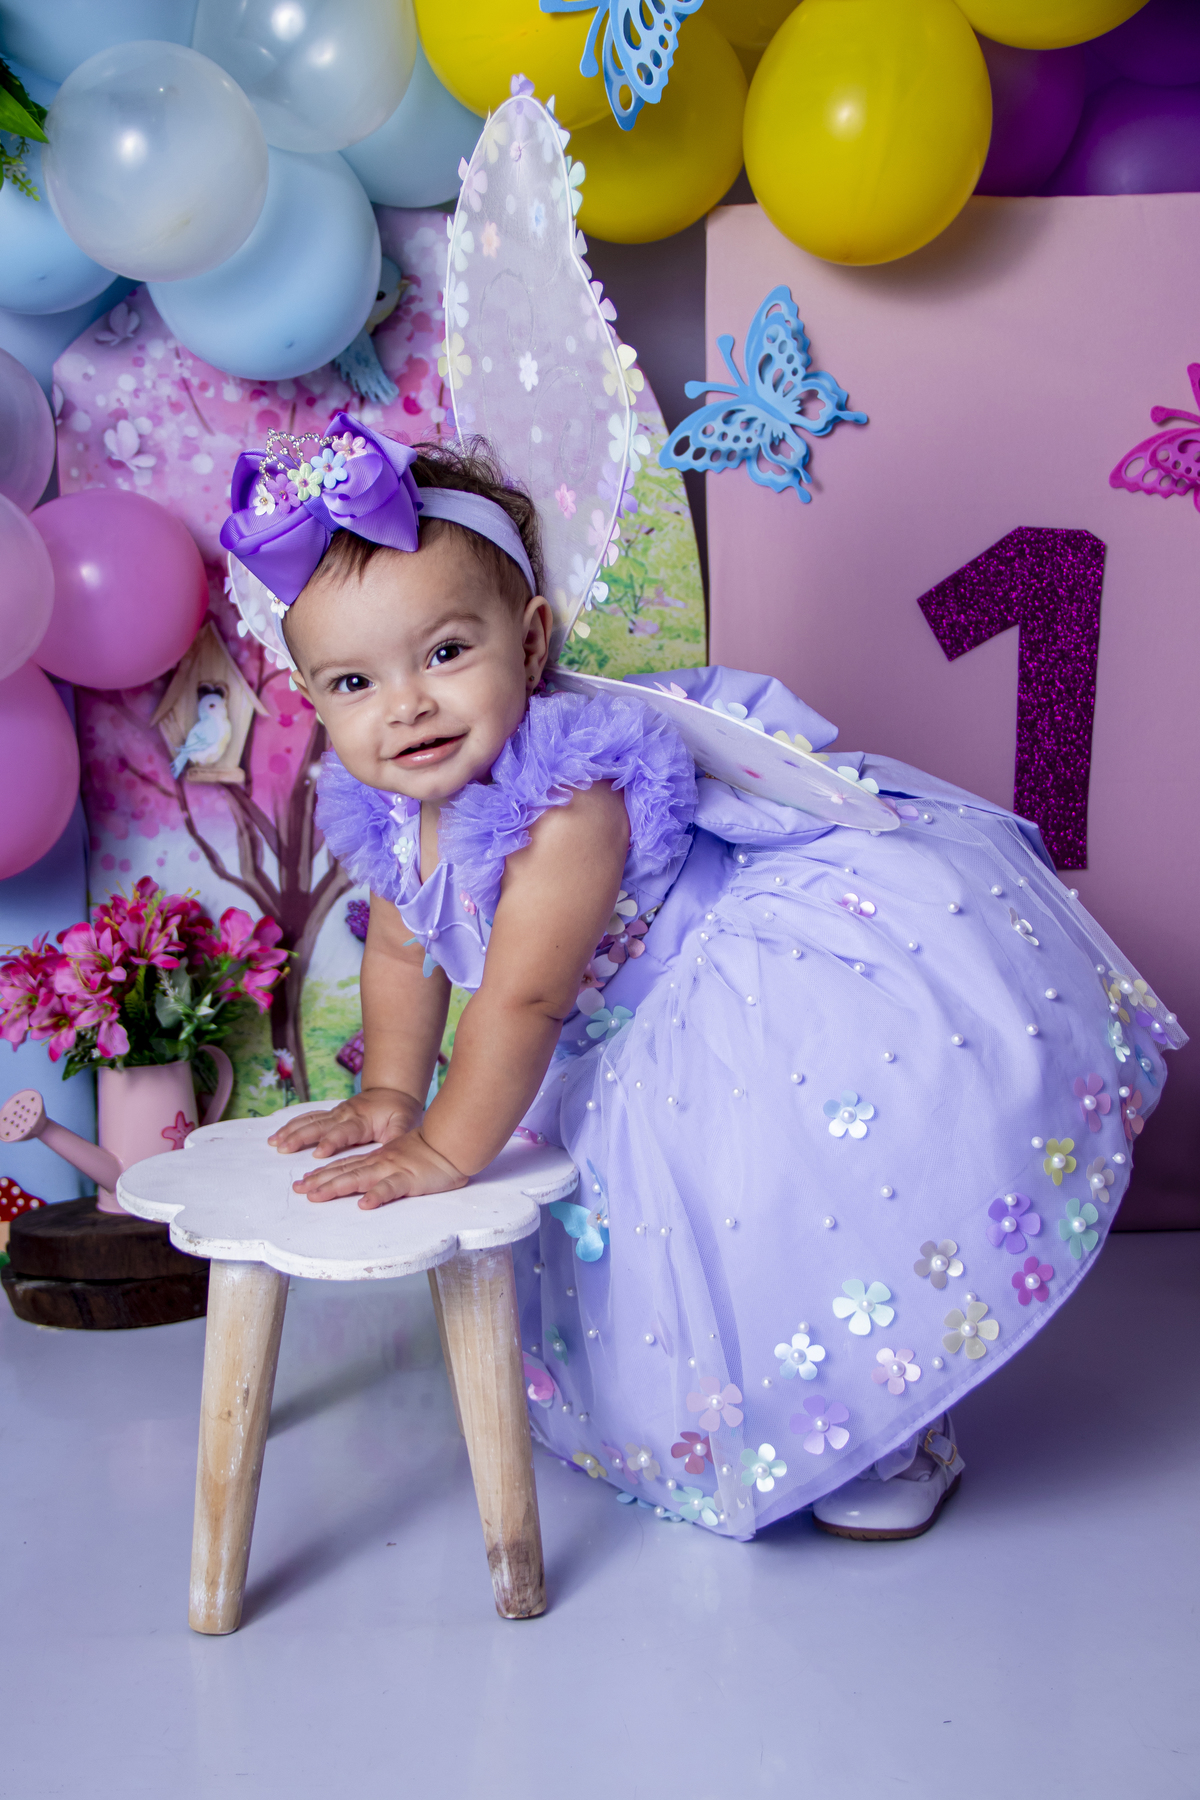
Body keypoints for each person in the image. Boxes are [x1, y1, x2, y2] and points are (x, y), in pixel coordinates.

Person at [219, 413, 1183, 1542]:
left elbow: (523, 997)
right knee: (662, 1262)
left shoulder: (566, 801)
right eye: (354, 681)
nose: (407, 705)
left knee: (789, 1216)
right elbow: (401, 947)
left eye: (444, 654)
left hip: (720, 1008)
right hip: (598, 1041)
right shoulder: (391, 802)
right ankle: (760, 1419)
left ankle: (894, 1423)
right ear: (314, 698)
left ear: (529, 641)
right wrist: (390, 1093)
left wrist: (438, 1148)